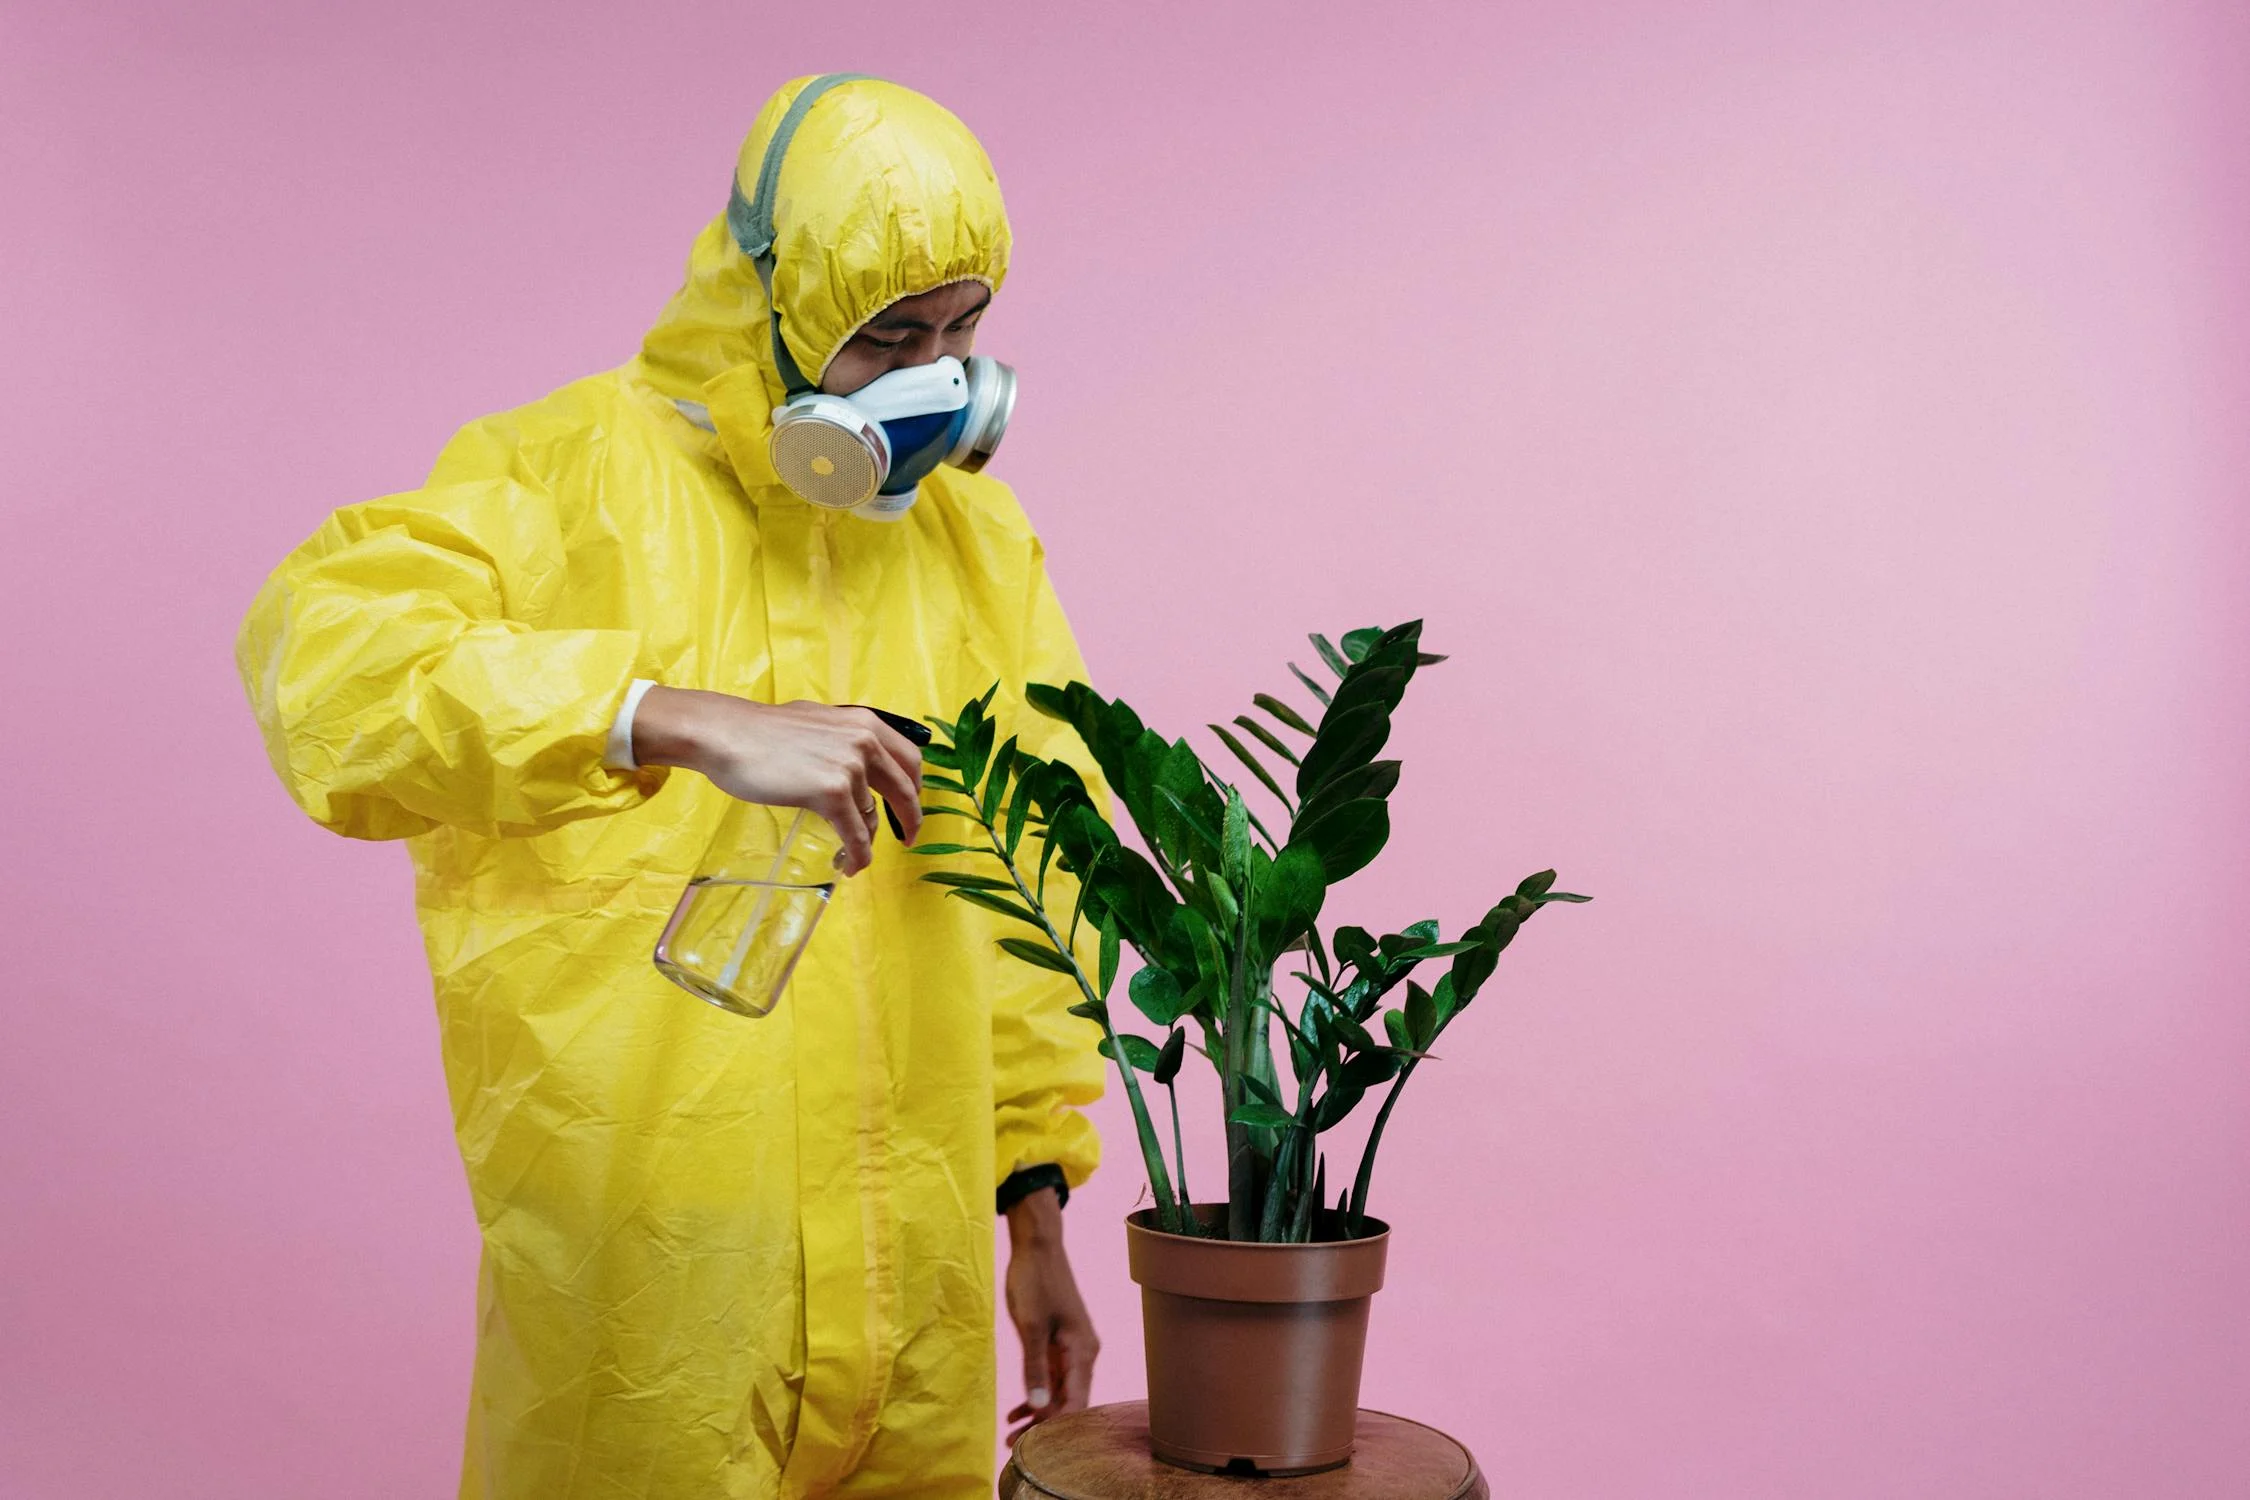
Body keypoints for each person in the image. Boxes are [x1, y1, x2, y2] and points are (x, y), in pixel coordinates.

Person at [237, 74, 1107, 1499]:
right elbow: (325, 665)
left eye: (961, 335)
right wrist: (660, 719)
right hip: (658, 1294)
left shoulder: (971, 541)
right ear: (764, 290)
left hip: (925, 1298)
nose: (929, 379)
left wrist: (1034, 1214)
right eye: (885, 334)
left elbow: (1024, 888)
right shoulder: (567, 473)